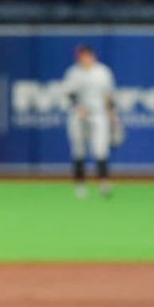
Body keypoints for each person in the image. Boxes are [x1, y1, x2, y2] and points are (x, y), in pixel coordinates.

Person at [61, 44, 119, 197]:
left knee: (100, 149)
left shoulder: (103, 72)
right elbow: (68, 94)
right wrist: (78, 107)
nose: (85, 58)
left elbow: (109, 95)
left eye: (87, 55)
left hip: (99, 114)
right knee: (79, 150)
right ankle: (80, 186)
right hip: (78, 114)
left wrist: (112, 115)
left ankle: (104, 184)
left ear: (93, 56)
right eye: (82, 56)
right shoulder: (73, 73)